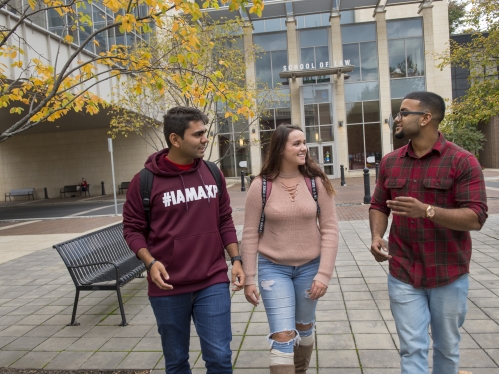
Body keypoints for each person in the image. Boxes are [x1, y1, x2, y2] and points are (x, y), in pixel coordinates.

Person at [369, 91, 488, 374]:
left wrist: (427, 210)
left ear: (425, 118)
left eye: (403, 113)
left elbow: (476, 217)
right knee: (412, 348)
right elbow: (378, 205)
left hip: (448, 273)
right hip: (403, 272)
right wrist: (376, 236)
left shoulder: (462, 161)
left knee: (447, 348)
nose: (397, 118)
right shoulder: (390, 162)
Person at [122, 106, 245, 374]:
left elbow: (224, 219)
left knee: (220, 358)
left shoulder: (213, 173)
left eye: (205, 132)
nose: (205, 139)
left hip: (211, 280)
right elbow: (132, 229)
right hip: (167, 287)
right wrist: (150, 261)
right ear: (175, 139)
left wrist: (236, 259)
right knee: (176, 362)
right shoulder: (144, 181)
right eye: (198, 134)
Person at [241, 124, 339, 374]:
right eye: (296, 143)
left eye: (304, 142)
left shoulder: (316, 183)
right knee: (283, 335)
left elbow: (329, 230)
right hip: (273, 269)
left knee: (304, 329)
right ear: (280, 148)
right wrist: (249, 278)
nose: (304, 148)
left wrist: (324, 274)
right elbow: (250, 233)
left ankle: (300, 370)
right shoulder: (261, 185)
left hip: (310, 268)